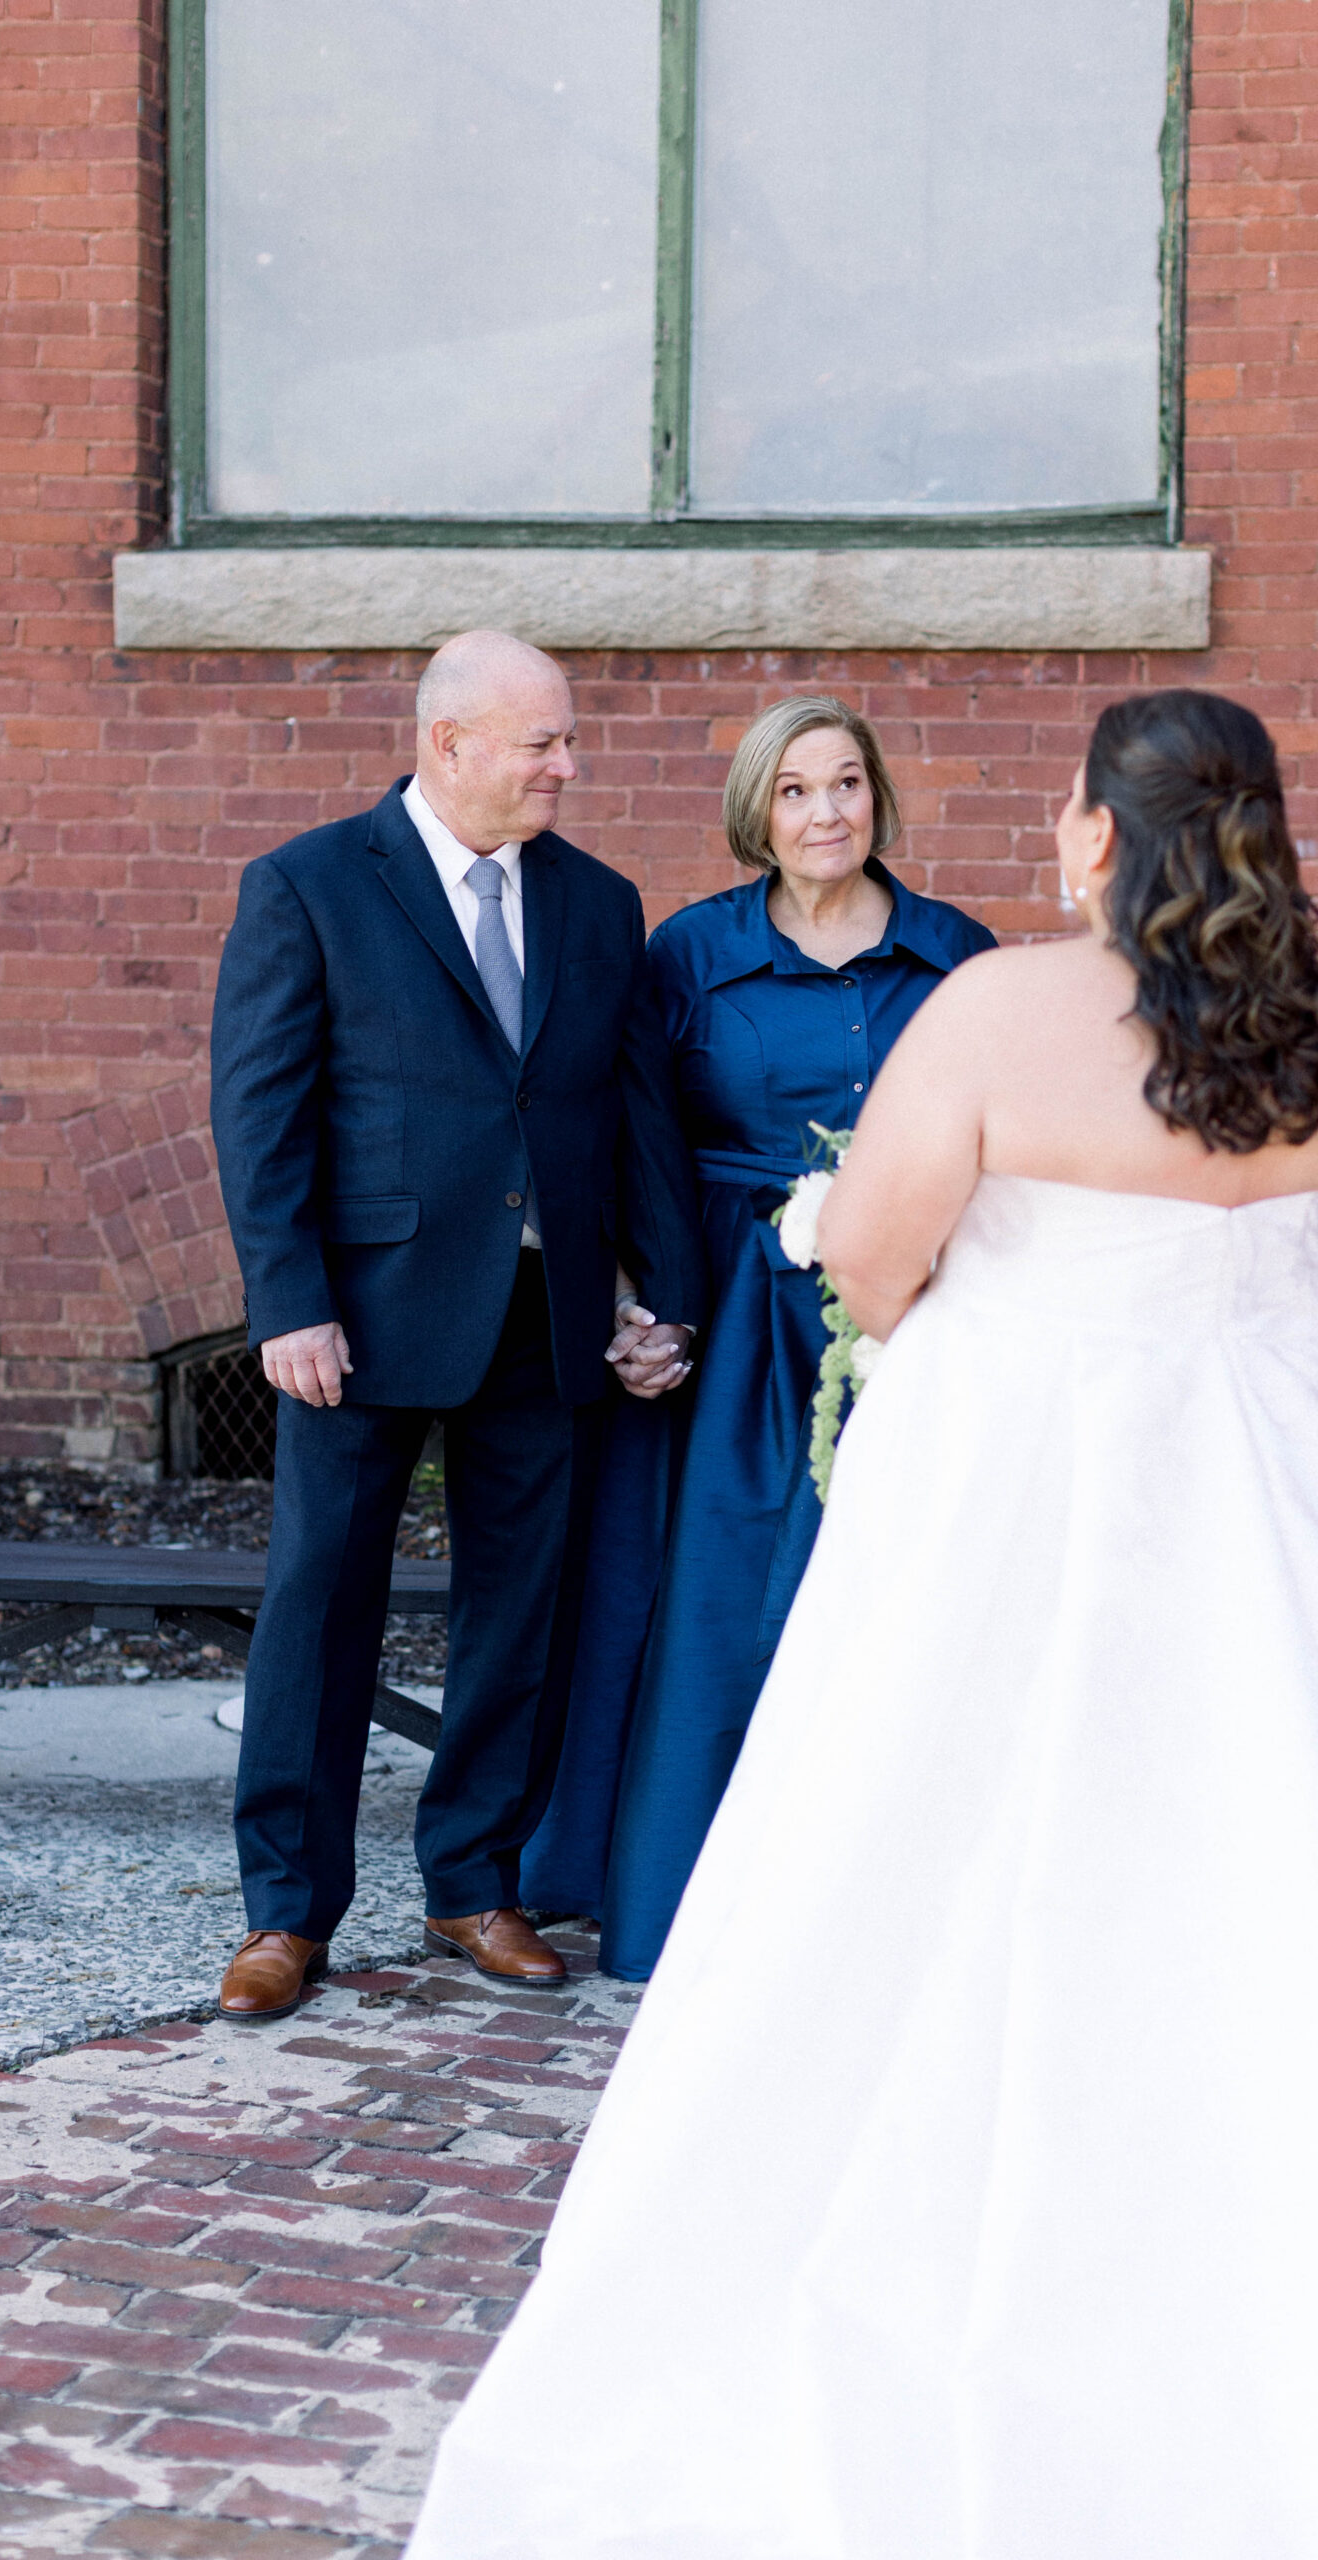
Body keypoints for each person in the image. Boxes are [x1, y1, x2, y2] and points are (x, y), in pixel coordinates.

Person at [409, 689, 1318, 2557]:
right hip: (1288, 1482)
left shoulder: (991, 1010)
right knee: (1307, 1812)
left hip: (1026, 1480)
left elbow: (876, 1258)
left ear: (1099, 836)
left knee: (945, 1820)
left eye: (1065, 806)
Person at [208, 629, 704, 2021]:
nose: (567, 764)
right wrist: (289, 1299)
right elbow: (260, 1109)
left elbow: (633, 1117)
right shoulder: (309, 884)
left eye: (567, 738)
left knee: (519, 1611)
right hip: (358, 1323)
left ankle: (473, 1883)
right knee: (320, 1608)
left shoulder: (599, 903)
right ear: (450, 743)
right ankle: (285, 1913)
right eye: (542, 741)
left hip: (545, 1315)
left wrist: (660, 1296)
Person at [518, 695, 995, 1976]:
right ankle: (684, 1887)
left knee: (887, 1586)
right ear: (756, 812)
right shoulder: (687, 954)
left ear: (877, 796)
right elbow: (623, 1143)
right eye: (794, 789)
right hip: (726, 1312)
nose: (825, 812)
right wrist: (637, 1299)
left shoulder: (957, 954)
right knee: (717, 1591)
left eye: (846, 783)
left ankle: (882, 1901)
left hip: (904, 1306)